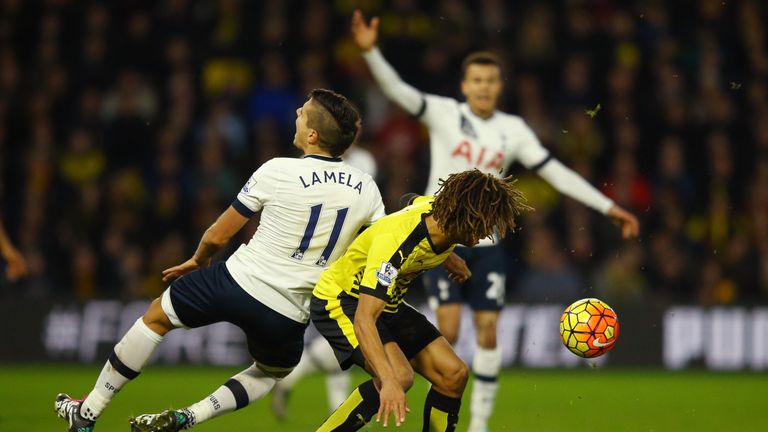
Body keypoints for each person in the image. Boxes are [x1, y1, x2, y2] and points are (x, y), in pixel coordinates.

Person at [350, 10, 640, 432]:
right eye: (477, 80)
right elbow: (398, 90)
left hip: (487, 245)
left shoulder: (512, 129)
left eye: (491, 81)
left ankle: (480, 424)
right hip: (438, 242)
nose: (485, 87)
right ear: (465, 86)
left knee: (488, 332)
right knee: (446, 327)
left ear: (500, 88)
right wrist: (371, 52)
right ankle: (374, 356)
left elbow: (555, 172)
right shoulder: (444, 113)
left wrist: (607, 207)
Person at [54, 89, 386, 432]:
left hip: (235, 282)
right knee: (271, 374)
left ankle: (88, 412)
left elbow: (218, 235)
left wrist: (198, 260)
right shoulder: (368, 189)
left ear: (313, 135)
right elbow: (379, 249)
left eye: (303, 114)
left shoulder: (277, 170)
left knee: (155, 318)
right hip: (289, 311)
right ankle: (188, 417)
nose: (297, 115)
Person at [311, 169, 531, 432]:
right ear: (463, 216)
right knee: (399, 376)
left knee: (452, 374)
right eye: (483, 221)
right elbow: (364, 318)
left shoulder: (439, 211)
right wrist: (389, 382)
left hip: (387, 303)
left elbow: (408, 199)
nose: (488, 231)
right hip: (342, 300)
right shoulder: (398, 244)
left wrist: (448, 255)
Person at [271, 142, 379, 420]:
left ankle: (333, 405)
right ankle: (308, 388)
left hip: (350, 251)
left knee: (344, 333)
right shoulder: (314, 165)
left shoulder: (363, 161)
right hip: (330, 257)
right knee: (347, 330)